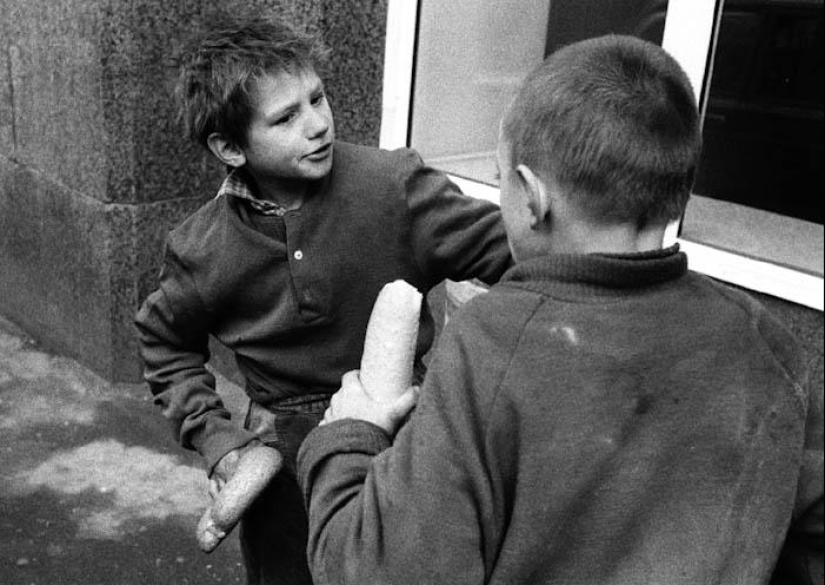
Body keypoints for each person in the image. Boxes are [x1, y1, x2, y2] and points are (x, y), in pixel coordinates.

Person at [297, 35, 824, 585]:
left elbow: (381, 572)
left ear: (532, 197)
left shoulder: (492, 346)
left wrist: (350, 436)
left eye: (500, 179)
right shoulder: (765, 340)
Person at [133, 14, 512, 585]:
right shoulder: (201, 248)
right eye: (286, 117)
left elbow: (517, 256)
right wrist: (220, 440)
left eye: (318, 97)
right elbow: (165, 344)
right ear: (230, 147)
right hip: (283, 464)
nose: (318, 125)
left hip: (406, 438)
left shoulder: (394, 187)